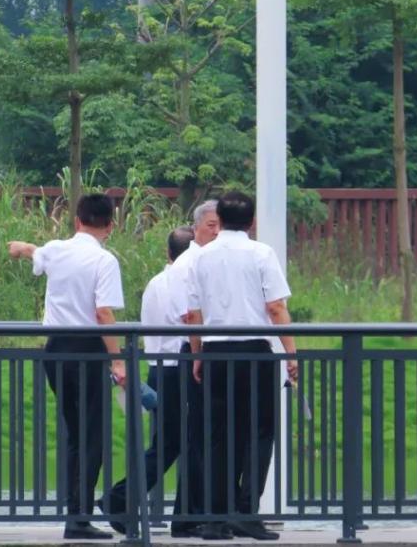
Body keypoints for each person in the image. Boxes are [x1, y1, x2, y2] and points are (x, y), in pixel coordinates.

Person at [8, 194, 126, 540]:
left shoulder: (56, 249)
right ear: (110, 226)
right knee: (93, 436)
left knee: (76, 432)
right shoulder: (104, 260)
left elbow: (35, 253)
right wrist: (118, 360)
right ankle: (79, 516)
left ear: (77, 221)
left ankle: (76, 513)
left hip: (56, 349)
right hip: (88, 351)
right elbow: (104, 313)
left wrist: (21, 248)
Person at [187, 191, 299, 541]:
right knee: (259, 432)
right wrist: (291, 353)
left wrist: (197, 355)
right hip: (254, 352)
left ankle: (216, 517)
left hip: (216, 353)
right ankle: (246, 511)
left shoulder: (201, 257)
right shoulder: (261, 253)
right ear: (252, 222)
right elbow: (276, 307)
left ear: (219, 219)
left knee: (218, 436)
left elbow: (193, 314)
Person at [99, 226, 195, 535]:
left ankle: (126, 499)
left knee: (169, 443)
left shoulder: (156, 282)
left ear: (168, 252)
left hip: (158, 367)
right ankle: (122, 498)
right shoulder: (183, 282)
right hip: (177, 368)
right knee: (176, 443)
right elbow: (188, 322)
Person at [168, 200, 220, 538]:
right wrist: (199, 354)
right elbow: (190, 316)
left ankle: (192, 514)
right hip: (195, 351)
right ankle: (191, 514)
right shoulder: (191, 263)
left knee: (203, 436)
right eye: (211, 226)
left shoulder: (209, 260)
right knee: (200, 437)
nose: (216, 232)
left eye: (220, 226)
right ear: (196, 227)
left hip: (201, 349)